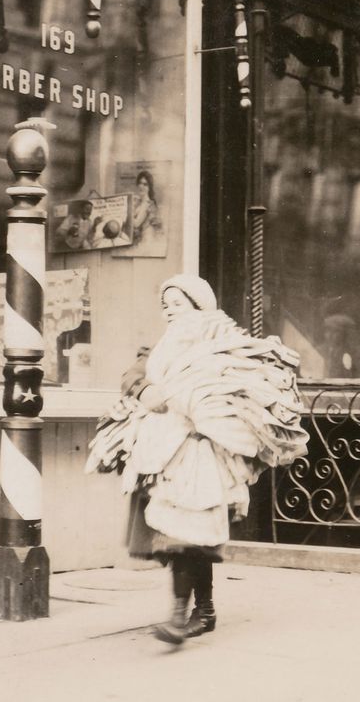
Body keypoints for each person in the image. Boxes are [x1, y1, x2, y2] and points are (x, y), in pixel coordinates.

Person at [85, 275, 308, 644]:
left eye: (178, 304)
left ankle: (184, 616)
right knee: (184, 537)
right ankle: (203, 611)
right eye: (166, 305)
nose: (170, 311)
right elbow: (133, 376)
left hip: (204, 452)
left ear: (199, 306)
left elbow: (247, 389)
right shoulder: (159, 350)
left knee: (185, 534)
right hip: (165, 453)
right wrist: (147, 389)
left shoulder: (225, 344)